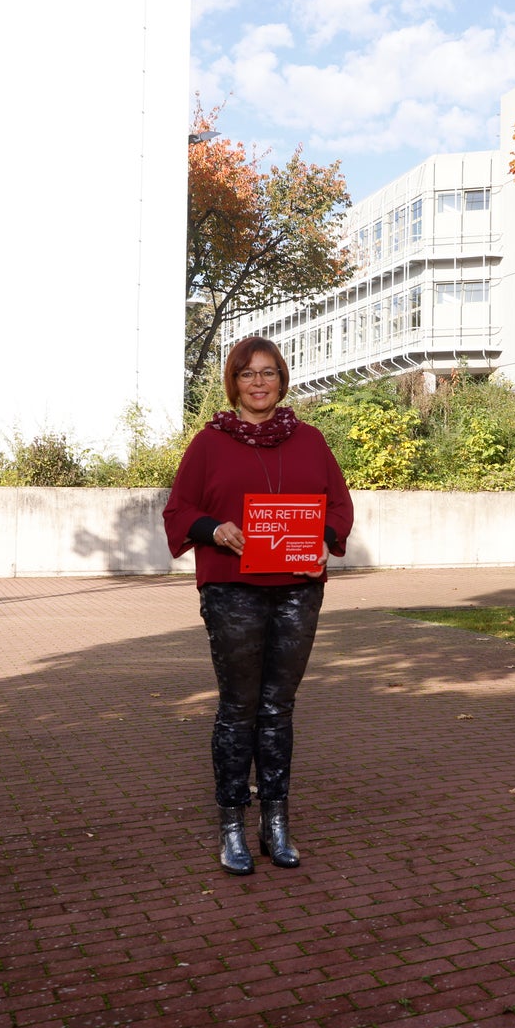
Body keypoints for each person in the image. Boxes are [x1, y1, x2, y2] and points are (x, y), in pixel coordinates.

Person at [163, 336, 352, 876]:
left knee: (278, 708)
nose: (259, 382)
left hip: (297, 588)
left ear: (282, 380)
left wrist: (325, 539)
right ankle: (232, 827)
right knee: (238, 707)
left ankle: (275, 823)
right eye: (248, 373)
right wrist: (213, 529)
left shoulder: (311, 441)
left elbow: (338, 506)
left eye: (268, 372)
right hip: (233, 589)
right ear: (234, 383)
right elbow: (179, 510)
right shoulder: (209, 443)